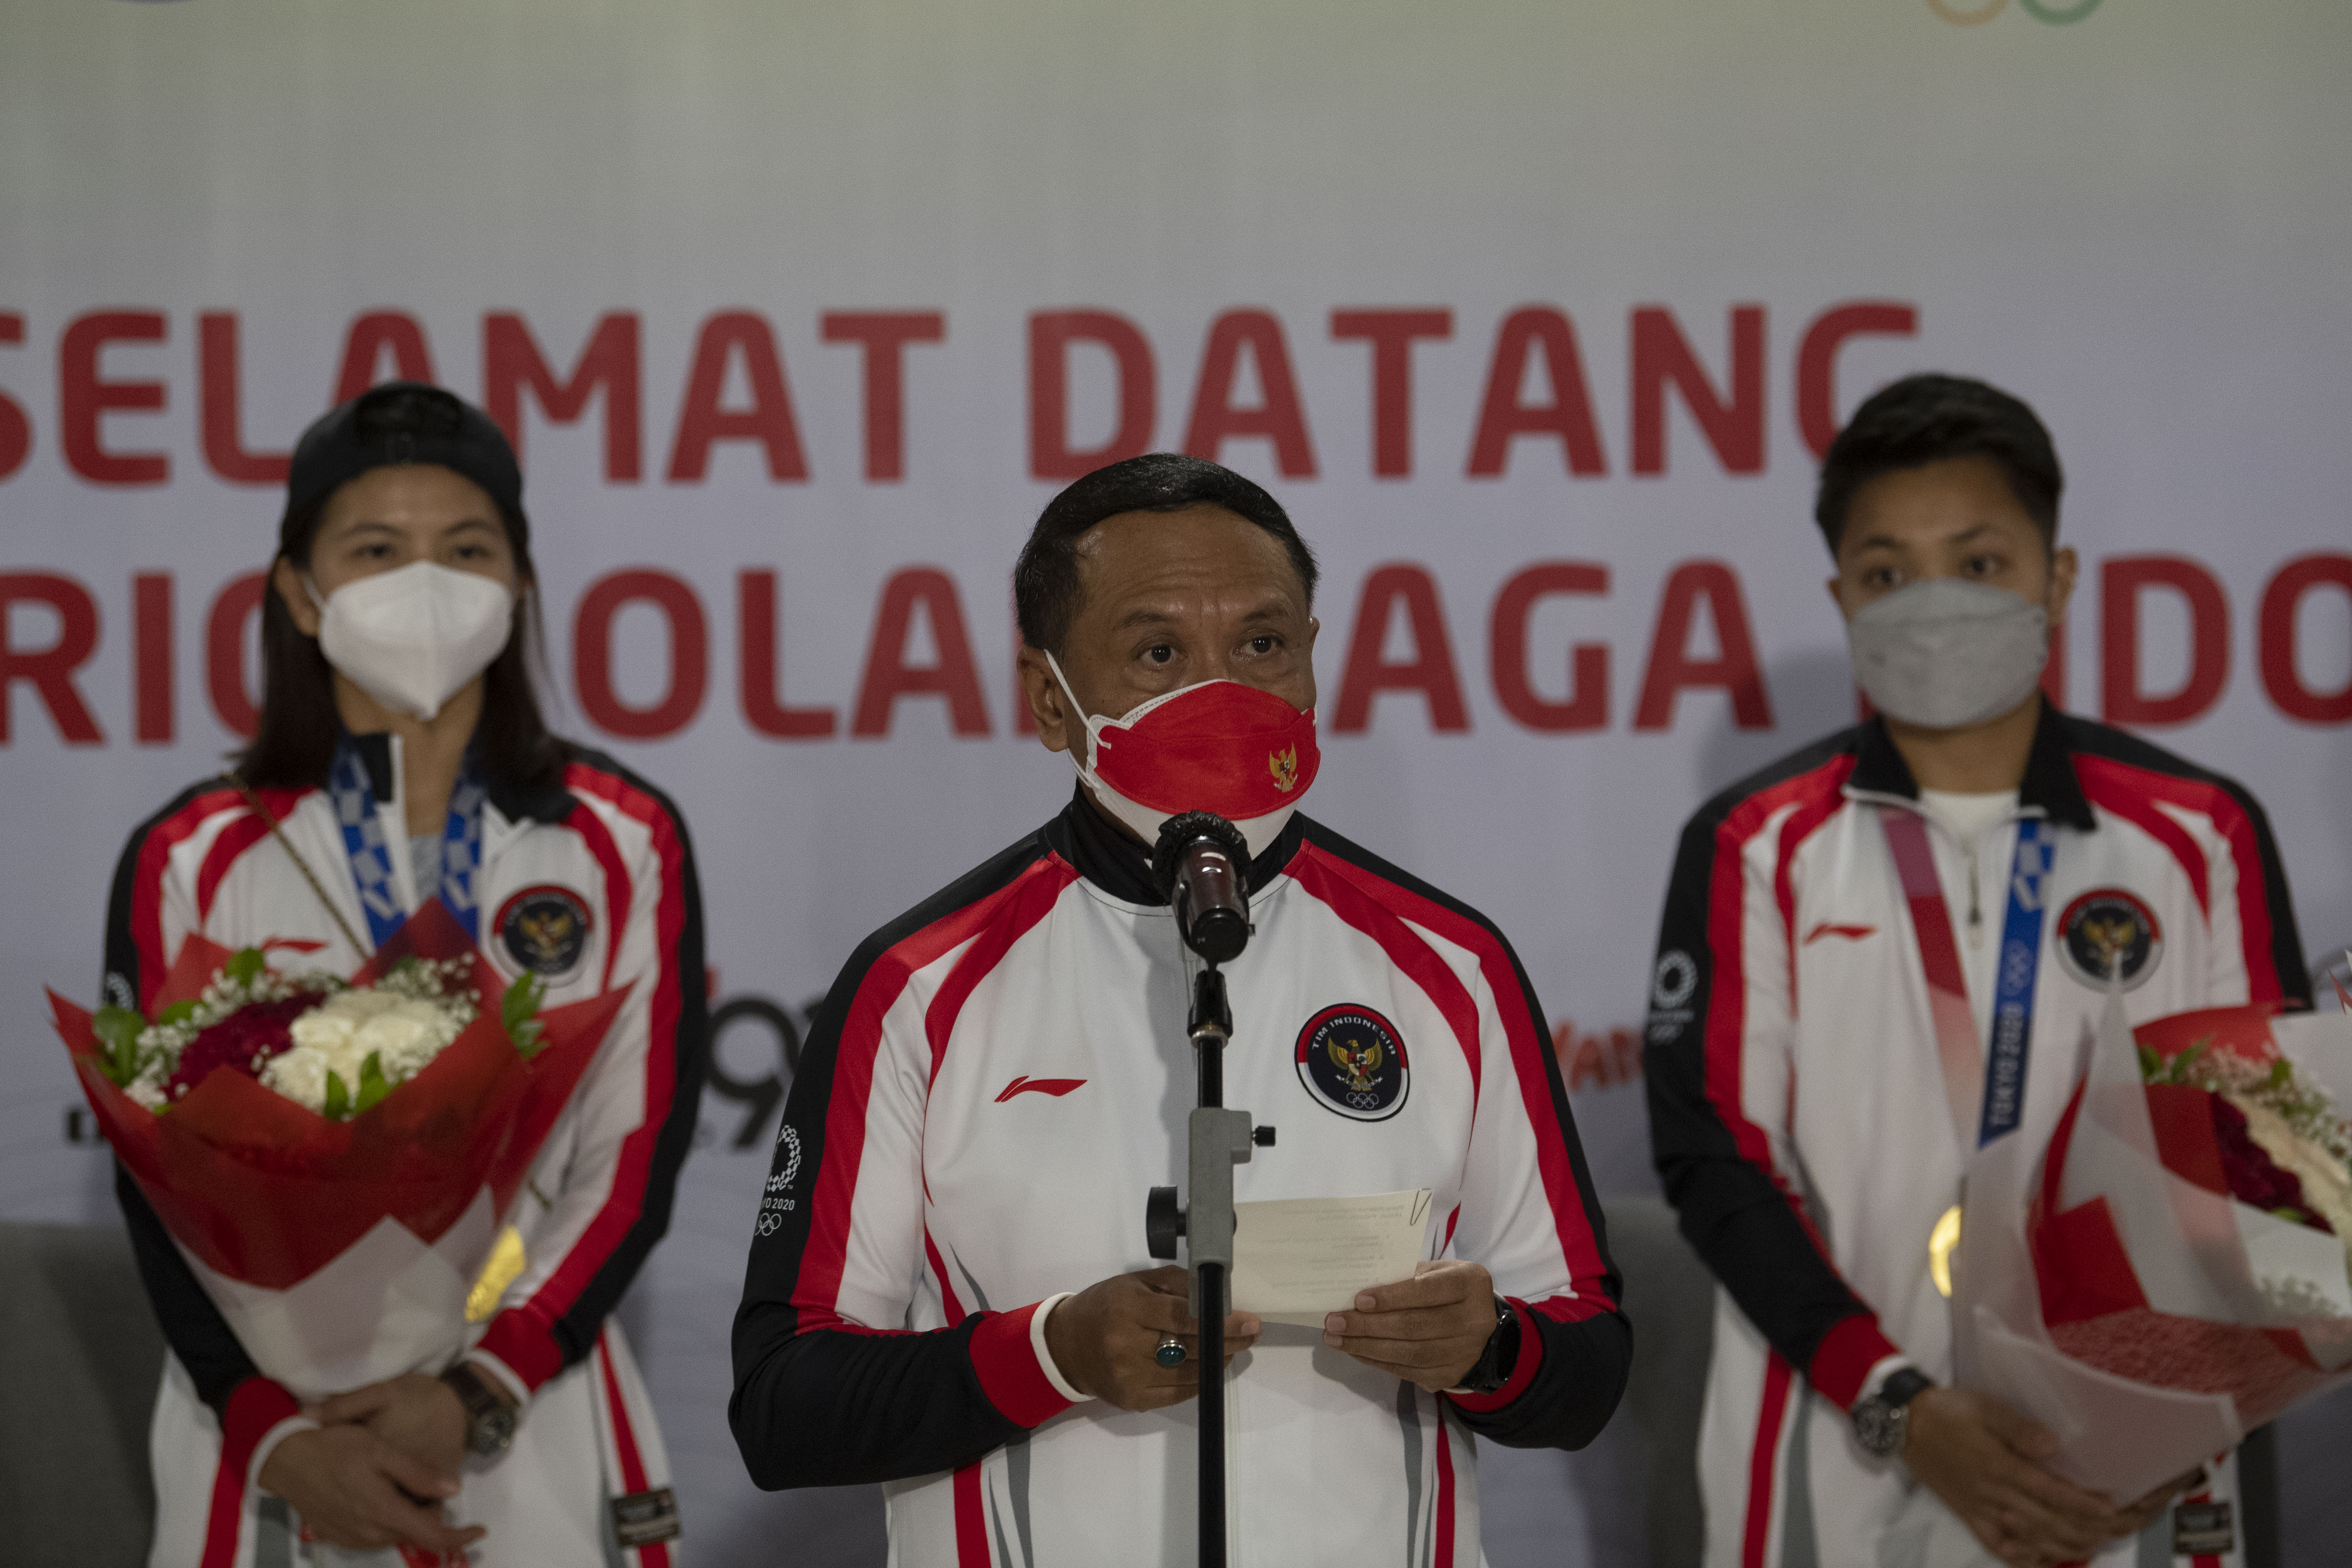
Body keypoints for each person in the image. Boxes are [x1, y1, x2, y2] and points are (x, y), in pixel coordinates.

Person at [730, 453, 1629, 1564]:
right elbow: (784, 1403)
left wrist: (1490, 1347)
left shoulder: (1455, 964)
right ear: (1050, 697)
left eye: (1263, 644)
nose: (1224, 693)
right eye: (1159, 653)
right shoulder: (919, 987)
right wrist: (1053, 1353)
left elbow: (1587, 1361)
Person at [1644, 375, 2309, 1568]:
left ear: (2057, 579)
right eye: (1889, 573)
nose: (1932, 607)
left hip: (2136, 1471)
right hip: (1830, 1441)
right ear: (1841, 595)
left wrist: (2123, 1427)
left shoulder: (2198, 835)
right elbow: (1716, 1163)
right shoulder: (1756, 844)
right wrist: (1898, 1400)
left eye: (1980, 563)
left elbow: (2268, 1172)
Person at [104, 382, 706, 1566]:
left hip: (529, 1409)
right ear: (298, 588)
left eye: (466, 549)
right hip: (274, 1439)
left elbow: (632, 1165)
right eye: (375, 550)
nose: (423, 584)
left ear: (521, 581)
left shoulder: (620, 838)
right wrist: (274, 1430)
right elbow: (156, 1182)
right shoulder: (191, 856)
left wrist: (480, 1385)